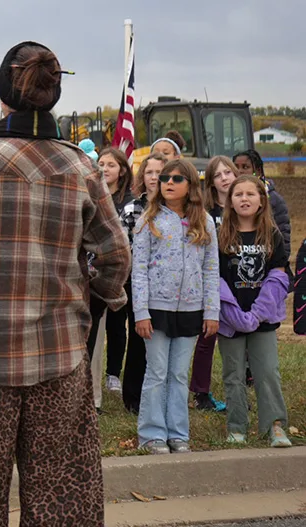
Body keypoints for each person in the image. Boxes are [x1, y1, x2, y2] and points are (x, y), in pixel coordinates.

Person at [0, 41, 131, 525]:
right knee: (63, 499)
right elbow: (115, 254)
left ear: (3, 94)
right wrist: (95, 298)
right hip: (60, 356)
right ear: (52, 95)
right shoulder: (81, 166)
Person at [133, 159, 220, 455]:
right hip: (156, 309)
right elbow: (140, 269)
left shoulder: (205, 222)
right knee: (157, 372)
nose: (168, 182)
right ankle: (152, 434)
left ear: (191, 185)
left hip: (191, 310)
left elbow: (211, 268)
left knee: (179, 374)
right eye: (164, 177)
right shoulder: (149, 220)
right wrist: (141, 311)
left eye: (176, 178)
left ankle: (178, 432)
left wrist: (211, 311)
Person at [216, 175, 291, 447]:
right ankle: (237, 426)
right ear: (230, 201)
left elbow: (279, 277)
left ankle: (275, 426)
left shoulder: (272, 234)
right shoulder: (221, 234)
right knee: (233, 375)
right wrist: (233, 313)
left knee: (267, 372)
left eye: (250, 194)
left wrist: (258, 313)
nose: (244, 199)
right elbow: (216, 278)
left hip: (263, 318)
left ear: (261, 201)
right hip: (230, 320)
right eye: (238, 194)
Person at [189, 156, 238, 412]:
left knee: (238, 340)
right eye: (218, 175)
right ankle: (201, 392)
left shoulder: (244, 206)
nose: (225, 178)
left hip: (238, 283)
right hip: (212, 282)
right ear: (211, 182)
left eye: (228, 172)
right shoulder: (206, 213)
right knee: (207, 337)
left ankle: (238, 392)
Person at [86, 147, 134, 397]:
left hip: (119, 270)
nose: (104, 169)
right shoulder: (91, 195)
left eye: (111, 165)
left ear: (123, 170)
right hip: (92, 270)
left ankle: (113, 372)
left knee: (117, 325)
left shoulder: (129, 201)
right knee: (93, 325)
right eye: (101, 163)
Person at [120, 152, 165, 413]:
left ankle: (158, 392)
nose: (154, 177)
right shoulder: (131, 209)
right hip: (137, 283)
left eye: (160, 172)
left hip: (168, 286)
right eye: (149, 172)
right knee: (139, 338)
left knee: (162, 338)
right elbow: (123, 245)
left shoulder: (175, 211)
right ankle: (133, 396)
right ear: (142, 176)